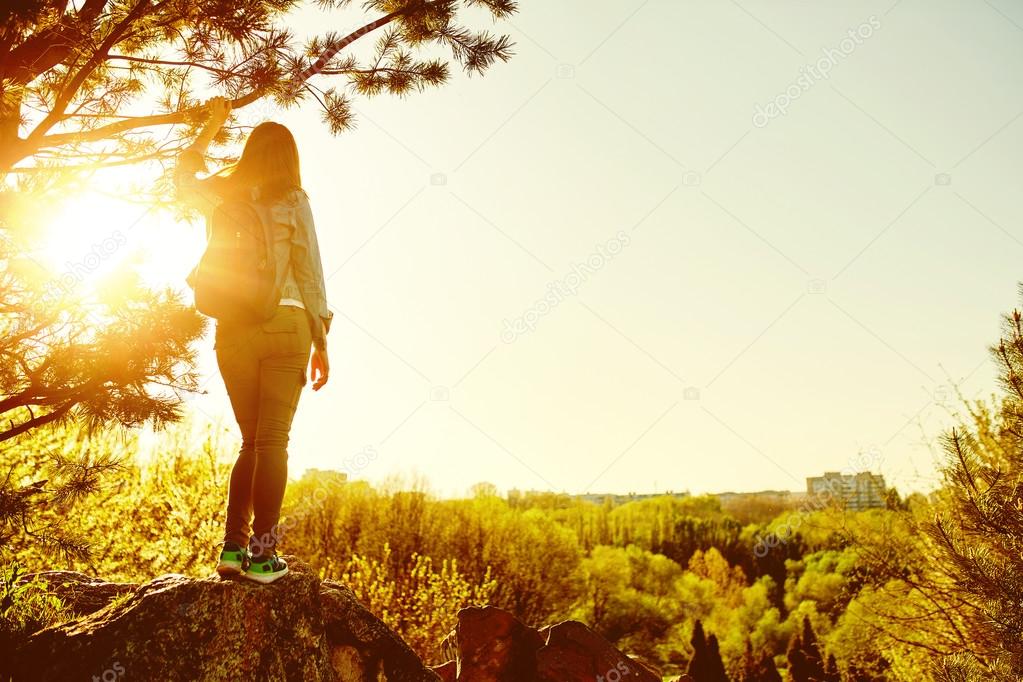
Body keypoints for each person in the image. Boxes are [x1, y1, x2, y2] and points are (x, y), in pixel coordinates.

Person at [174, 96, 333, 584]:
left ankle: (231, 550)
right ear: (290, 159)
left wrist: (211, 125)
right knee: (273, 442)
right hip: (286, 329)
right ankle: (263, 557)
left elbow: (181, 179)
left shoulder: (224, 195)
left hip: (233, 330)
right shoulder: (294, 201)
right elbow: (310, 273)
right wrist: (321, 338)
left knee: (250, 442)